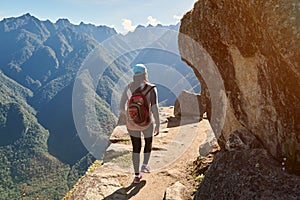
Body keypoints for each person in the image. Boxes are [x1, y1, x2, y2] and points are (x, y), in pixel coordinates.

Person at [119, 64, 160, 183]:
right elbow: (155, 107)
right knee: (148, 142)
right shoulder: (151, 88)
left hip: (131, 124)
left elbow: (121, 106)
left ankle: (137, 176)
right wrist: (158, 123)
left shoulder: (128, 88)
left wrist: (129, 116)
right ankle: (144, 165)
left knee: (135, 148)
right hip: (147, 122)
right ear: (145, 74)